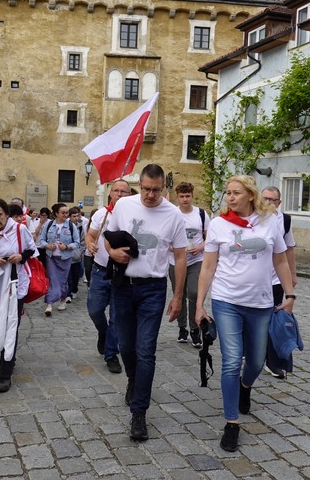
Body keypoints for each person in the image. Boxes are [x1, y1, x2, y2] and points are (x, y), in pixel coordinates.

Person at [195, 175, 296, 453]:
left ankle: (245, 385)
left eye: (236, 193)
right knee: (231, 360)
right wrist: (200, 304)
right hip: (226, 300)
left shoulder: (270, 222)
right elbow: (208, 267)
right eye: (227, 192)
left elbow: (280, 259)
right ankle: (231, 422)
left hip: (261, 303)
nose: (230, 197)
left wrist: (290, 295)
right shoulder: (219, 224)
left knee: (255, 360)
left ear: (251, 195)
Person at [105, 165, 187, 441]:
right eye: (146, 189)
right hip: (123, 286)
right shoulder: (124, 206)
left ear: (163, 188)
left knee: (146, 350)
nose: (150, 195)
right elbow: (108, 239)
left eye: (156, 190)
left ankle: (139, 412)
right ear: (139, 185)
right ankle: (133, 379)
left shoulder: (173, 215)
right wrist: (112, 253)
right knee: (126, 346)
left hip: (153, 288)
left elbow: (181, 257)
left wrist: (178, 295)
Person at [0, 199, 38, 393]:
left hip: (16, 283)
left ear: (6, 214)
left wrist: (21, 256)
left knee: (11, 323)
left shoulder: (19, 229)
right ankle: (7, 356)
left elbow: (31, 249)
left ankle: (5, 373)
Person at [85, 180, 131, 375]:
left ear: (130, 195)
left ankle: (111, 354)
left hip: (122, 273)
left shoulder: (132, 215)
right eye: (116, 191)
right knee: (95, 310)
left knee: (116, 317)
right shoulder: (101, 214)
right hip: (100, 270)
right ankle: (103, 334)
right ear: (110, 193)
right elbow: (90, 235)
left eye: (124, 191)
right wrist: (89, 243)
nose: (119, 194)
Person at [261, 186, 298, 379]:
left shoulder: (284, 220)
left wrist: (292, 274)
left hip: (276, 279)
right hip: (256, 279)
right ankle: (251, 350)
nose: (268, 202)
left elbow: (289, 249)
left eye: (272, 200)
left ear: (279, 202)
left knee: (274, 320)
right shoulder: (253, 217)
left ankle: (272, 361)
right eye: (265, 198)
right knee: (254, 318)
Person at [170, 183, 209, 347]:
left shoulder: (201, 214)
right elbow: (164, 237)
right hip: (175, 260)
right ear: (177, 197)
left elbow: (209, 237)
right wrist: (171, 247)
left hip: (196, 259)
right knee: (179, 293)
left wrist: (200, 247)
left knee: (194, 292)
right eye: (182, 196)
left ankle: (195, 329)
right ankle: (182, 328)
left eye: (187, 196)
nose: (185, 199)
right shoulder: (172, 214)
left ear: (192, 196)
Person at [37, 203, 80, 316]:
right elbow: (41, 240)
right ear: (56, 213)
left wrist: (66, 247)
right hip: (51, 257)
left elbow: (77, 242)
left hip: (65, 257)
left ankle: (63, 300)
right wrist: (47, 246)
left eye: (67, 213)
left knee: (63, 280)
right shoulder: (49, 225)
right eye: (63, 213)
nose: (65, 215)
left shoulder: (71, 226)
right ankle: (49, 304)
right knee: (52, 279)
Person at [66, 206, 86, 303]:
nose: (76, 218)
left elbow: (83, 241)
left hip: (77, 256)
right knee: (68, 277)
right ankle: (68, 294)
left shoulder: (80, 227)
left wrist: (81, 251)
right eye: (74, 216)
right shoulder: (66, 226)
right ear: (69, 217)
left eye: (77, 216)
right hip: (67, 255)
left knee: (76, 276)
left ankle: (74, 290)